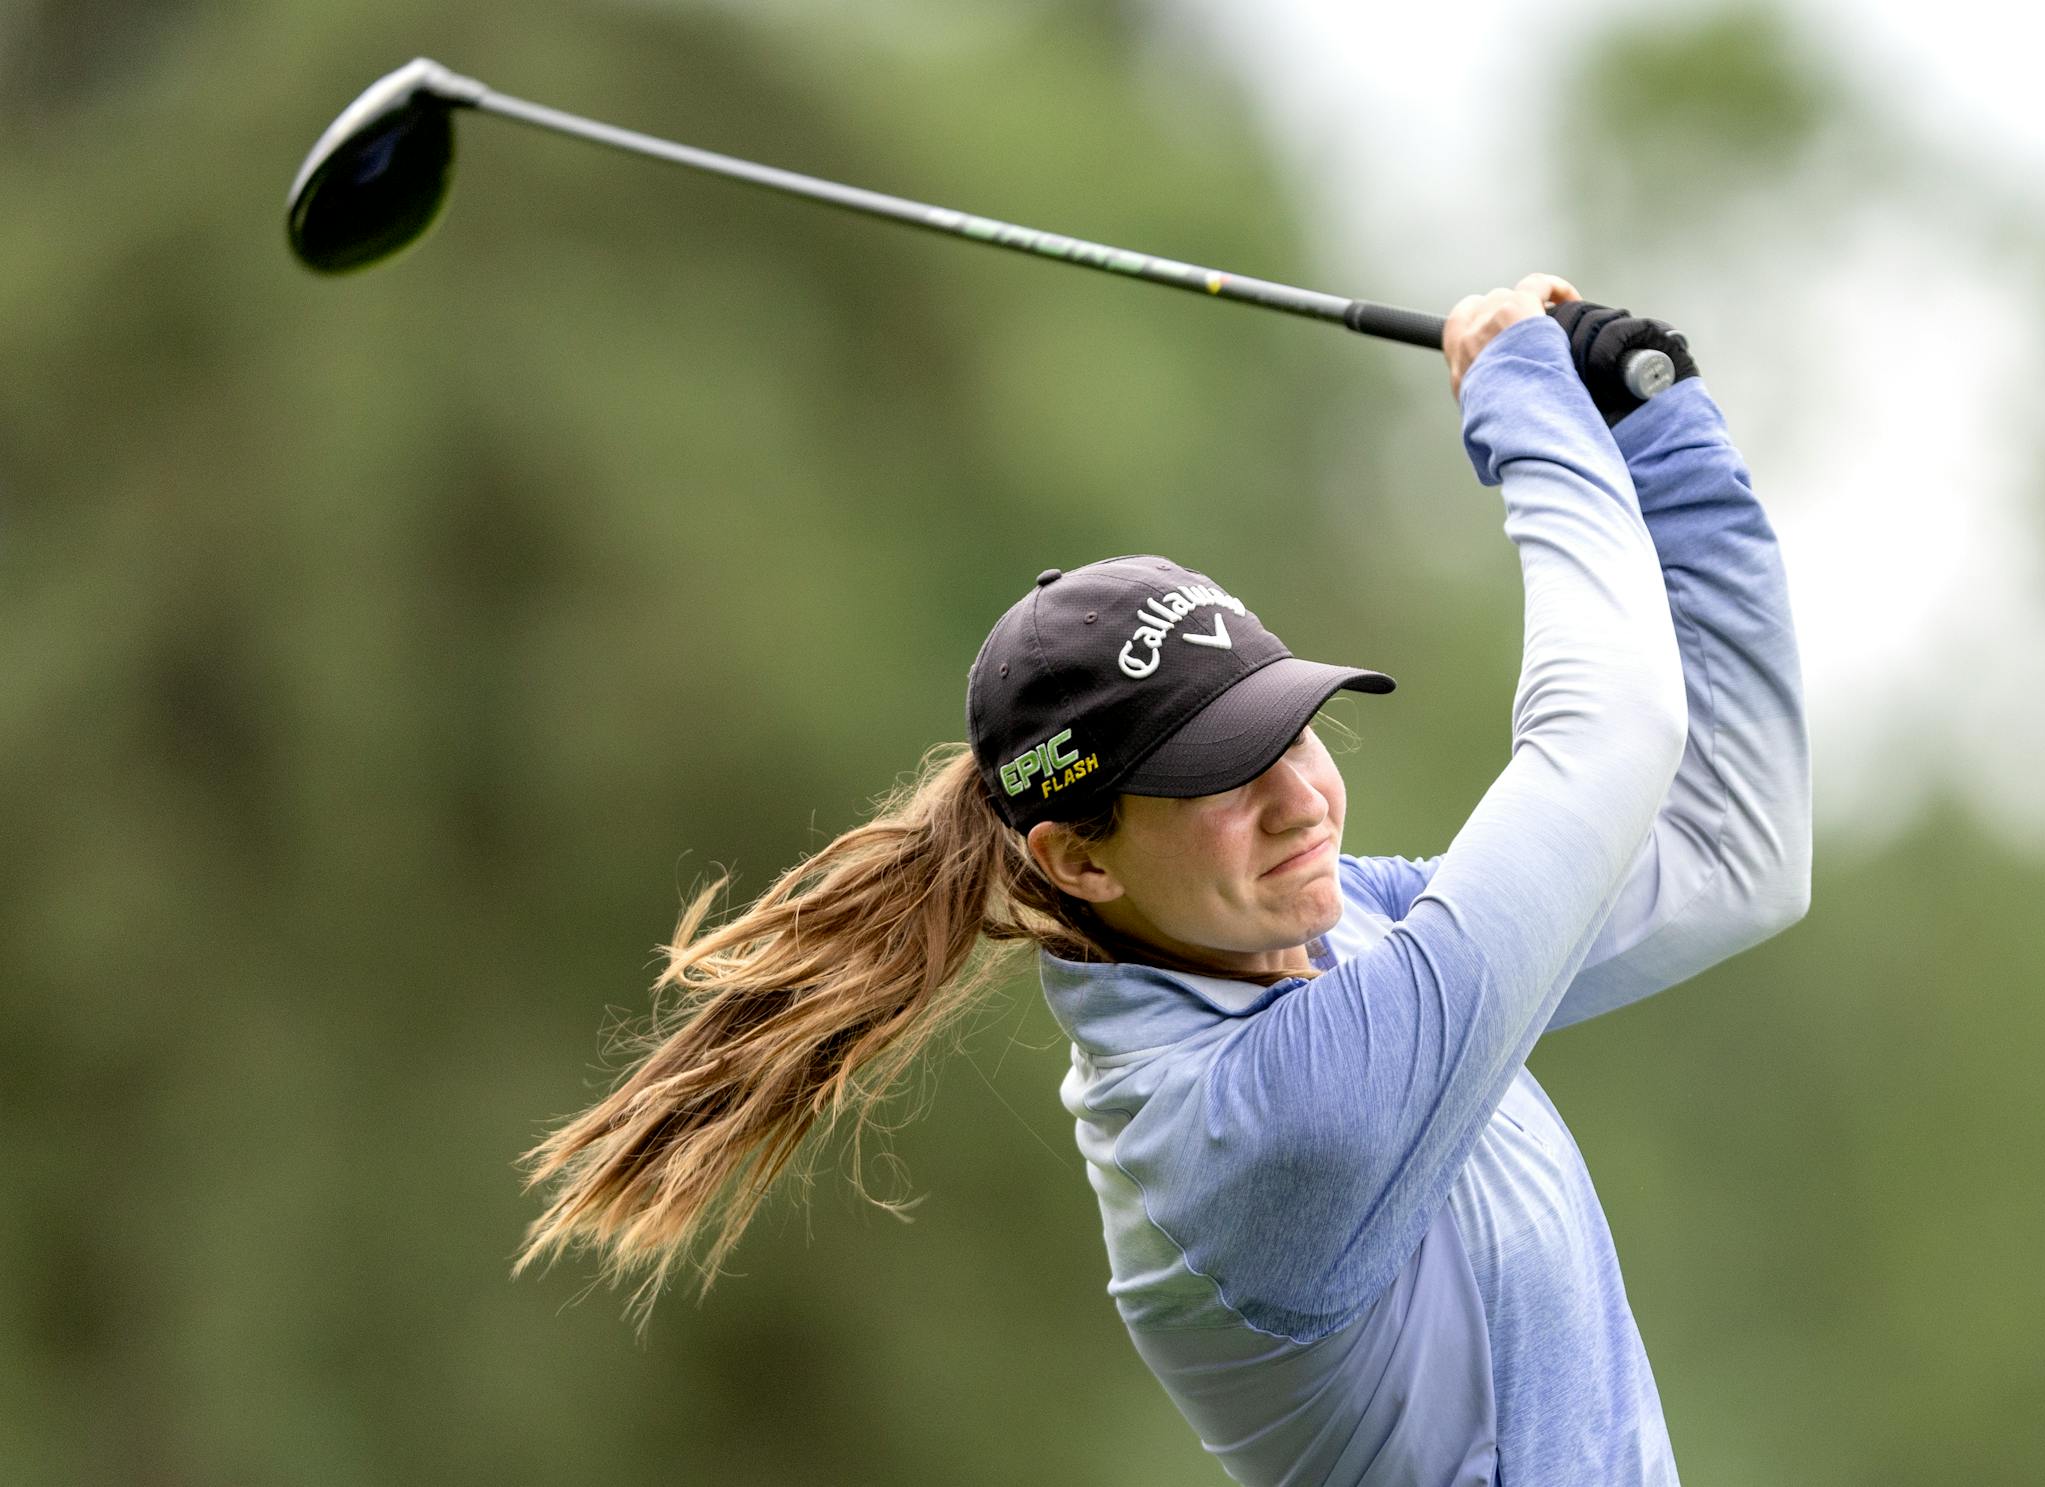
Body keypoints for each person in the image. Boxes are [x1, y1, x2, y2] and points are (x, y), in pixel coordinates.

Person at [514, 273, 1811, 1486]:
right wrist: (1526, 402)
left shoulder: (1343, 932)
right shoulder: (1271, 1122)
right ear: (1078, 860)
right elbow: (1611, 740)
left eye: (1293, 727)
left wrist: (1658, 433)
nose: (1303, 798)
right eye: (1224, 775)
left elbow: (1732, 857)